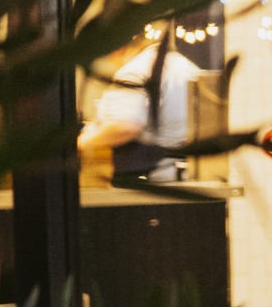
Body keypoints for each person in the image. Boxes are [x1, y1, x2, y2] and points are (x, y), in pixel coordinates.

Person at [76, 22, 208, 187]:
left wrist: (81, 142)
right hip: (185, 174)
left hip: (150, 177)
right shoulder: (184, 65)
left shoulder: (134, 72)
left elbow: (125, 126)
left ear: (118, 49)